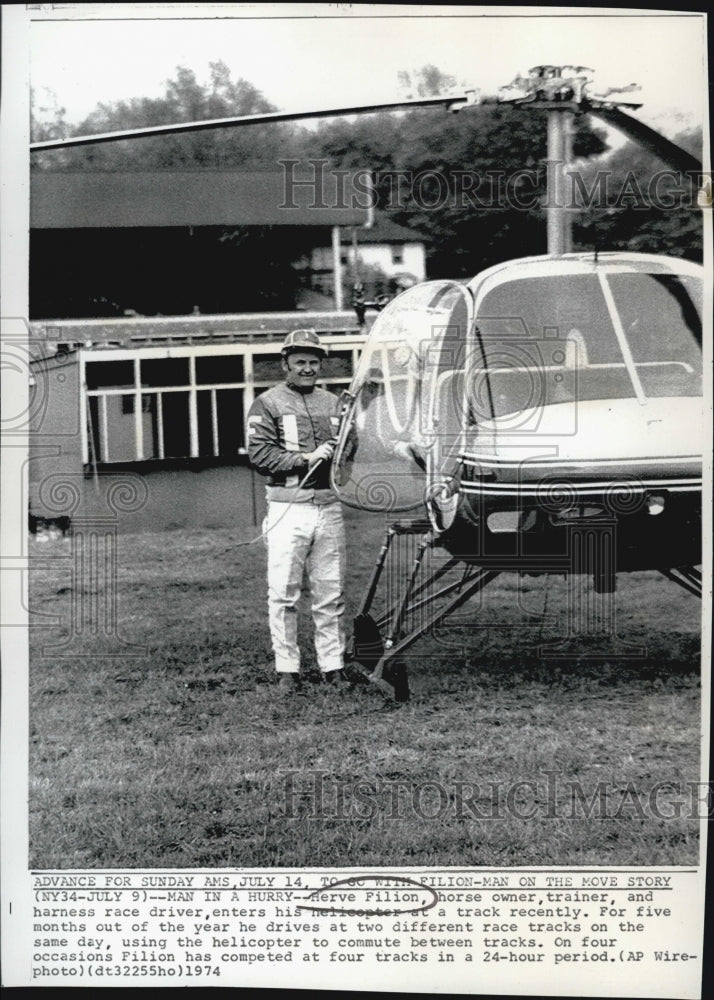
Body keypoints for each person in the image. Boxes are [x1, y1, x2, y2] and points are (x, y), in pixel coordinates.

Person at [247, 329, 348, 692]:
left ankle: (333, 665)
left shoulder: (335, 403)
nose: (307, 368)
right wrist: (305, 458)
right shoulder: (268, 403)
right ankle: (287, 669)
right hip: (288, 511)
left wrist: (345, 449)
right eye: (300, 362)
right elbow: (260, 455)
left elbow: (351, 454)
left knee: (330, 592)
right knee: (284, 592)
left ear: (321, 364)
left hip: (328, 509)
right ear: (285, 364)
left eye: (313, 362)